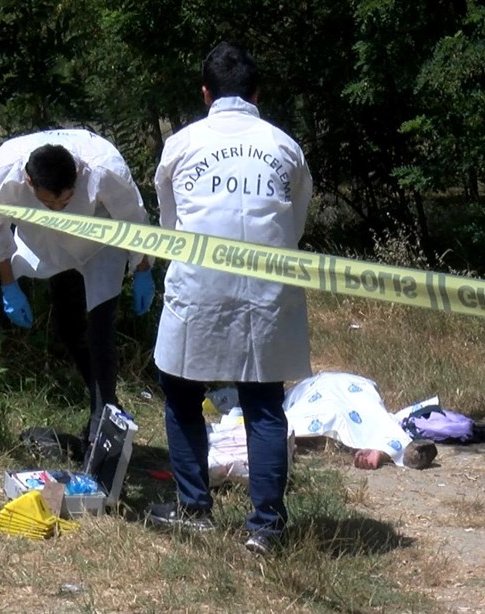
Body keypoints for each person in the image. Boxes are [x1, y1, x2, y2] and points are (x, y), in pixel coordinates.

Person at [144, 42, 313, 556]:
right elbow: (295, 225)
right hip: (268, 287)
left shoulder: (180, 145)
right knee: (263, 402)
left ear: (205, 93)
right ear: (256, 94)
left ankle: (195, 510)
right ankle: (266, 527)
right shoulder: (285, 146)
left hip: (199, 286)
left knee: (179, 391)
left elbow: (170, 226)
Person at [0, 129, 155, 447]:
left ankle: (103, 422)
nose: (58, 206)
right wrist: (8, 285)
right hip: (47, 243)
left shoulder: (103, 167)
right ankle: (106, 405)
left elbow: (133, 220)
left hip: (101, 242)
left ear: (78, 176)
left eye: (66, 199)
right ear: (30, 184)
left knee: (100, 329)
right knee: (70, 329)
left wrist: (142, 269)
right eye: (49, 202)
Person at [282, 372, 437, 470]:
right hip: (346, 387)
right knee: (366, 415)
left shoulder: (295, 395)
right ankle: (389, 449)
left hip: (341, 387)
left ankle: (388, 450)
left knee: (331, 412)